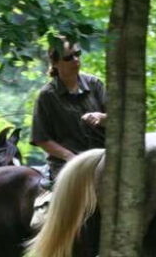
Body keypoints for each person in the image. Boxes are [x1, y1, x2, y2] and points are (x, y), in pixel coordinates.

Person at [31, 38, 107, 180]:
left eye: (77, 54)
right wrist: (69, 157)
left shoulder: (95, 84)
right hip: (66, 164)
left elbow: (117, 120)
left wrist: (102, 118)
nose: (75, 59)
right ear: (55, 63)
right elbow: (41, 138)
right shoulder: (47, 96)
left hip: (103, 158)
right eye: (68, 57)